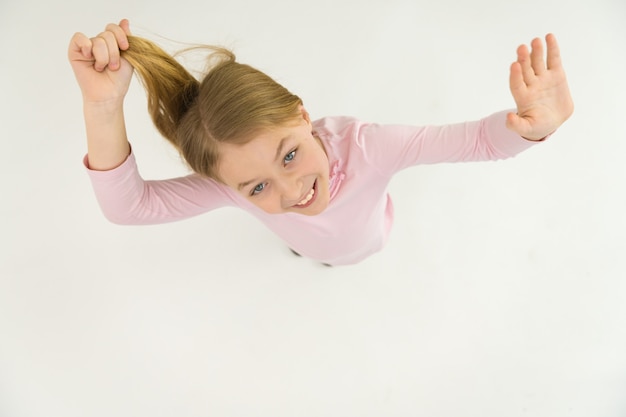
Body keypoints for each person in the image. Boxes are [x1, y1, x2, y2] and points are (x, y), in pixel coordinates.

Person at [68, 19, 574, 266]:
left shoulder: (370, 148)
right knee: (306, 243)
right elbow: (130, 207)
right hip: (305, 248)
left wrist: (530, 126)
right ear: (230, 186)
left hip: (374, 236)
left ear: (303, 114)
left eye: (289, 154)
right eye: (257, 189)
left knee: (355, 246)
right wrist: (102, 107)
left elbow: (469, 142)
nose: (290, 192)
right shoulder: (226, 183)